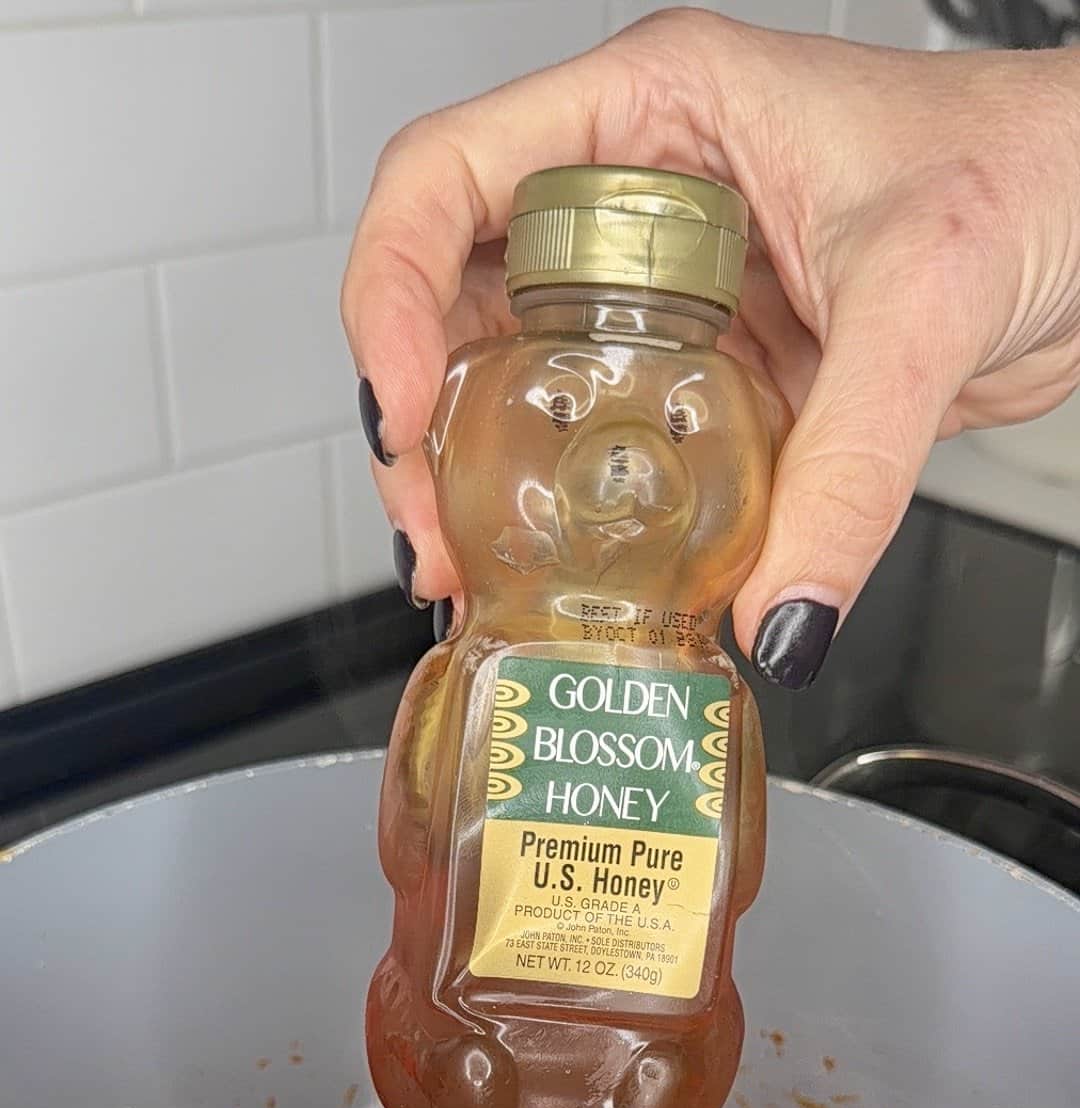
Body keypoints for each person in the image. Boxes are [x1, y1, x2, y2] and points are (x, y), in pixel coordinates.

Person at [341, 8, 1080, 689]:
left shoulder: (746, 396)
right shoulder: (481, 375)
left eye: (679, 423)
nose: (621, 483)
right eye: (563, 406)